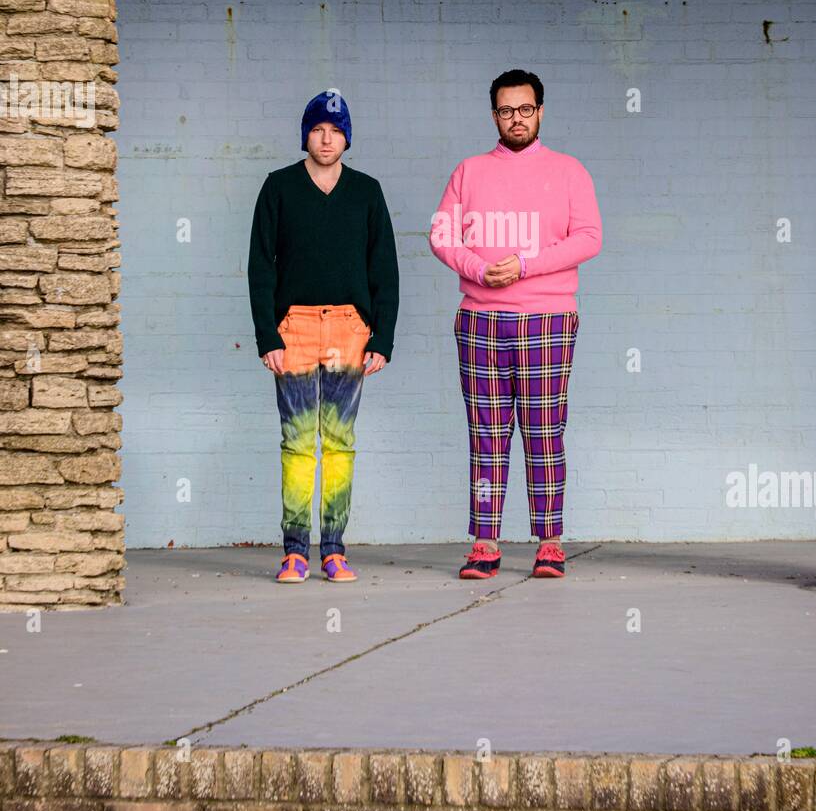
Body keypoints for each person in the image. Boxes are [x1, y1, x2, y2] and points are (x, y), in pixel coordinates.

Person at [429, 69, 602, 580]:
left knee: (545, 431)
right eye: (507, 111)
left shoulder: (570, 171)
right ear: (494, 116)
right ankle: (485, 543)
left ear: (541, 112)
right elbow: (441, 235)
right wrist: (480, 269)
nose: (517, 119)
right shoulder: (468, 171)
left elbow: (589, 238)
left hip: (548, 317)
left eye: (526, 110)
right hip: (481, 319)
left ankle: (550, 542)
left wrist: (524, 265)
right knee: (486, 432)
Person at [248, 89, 398, 584]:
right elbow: (259, 267)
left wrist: (383, 338)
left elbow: (385, 269)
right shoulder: (279, 187)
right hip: (294, 329)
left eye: (336, 130)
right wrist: (267, 334)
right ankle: (294, 552)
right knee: (296, 443)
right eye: (317, 129)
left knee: (338, 443)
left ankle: (333, 549)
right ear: (305, 135)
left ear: (347, 138)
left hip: (350, 330)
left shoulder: (367, 192)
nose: (326, 138)